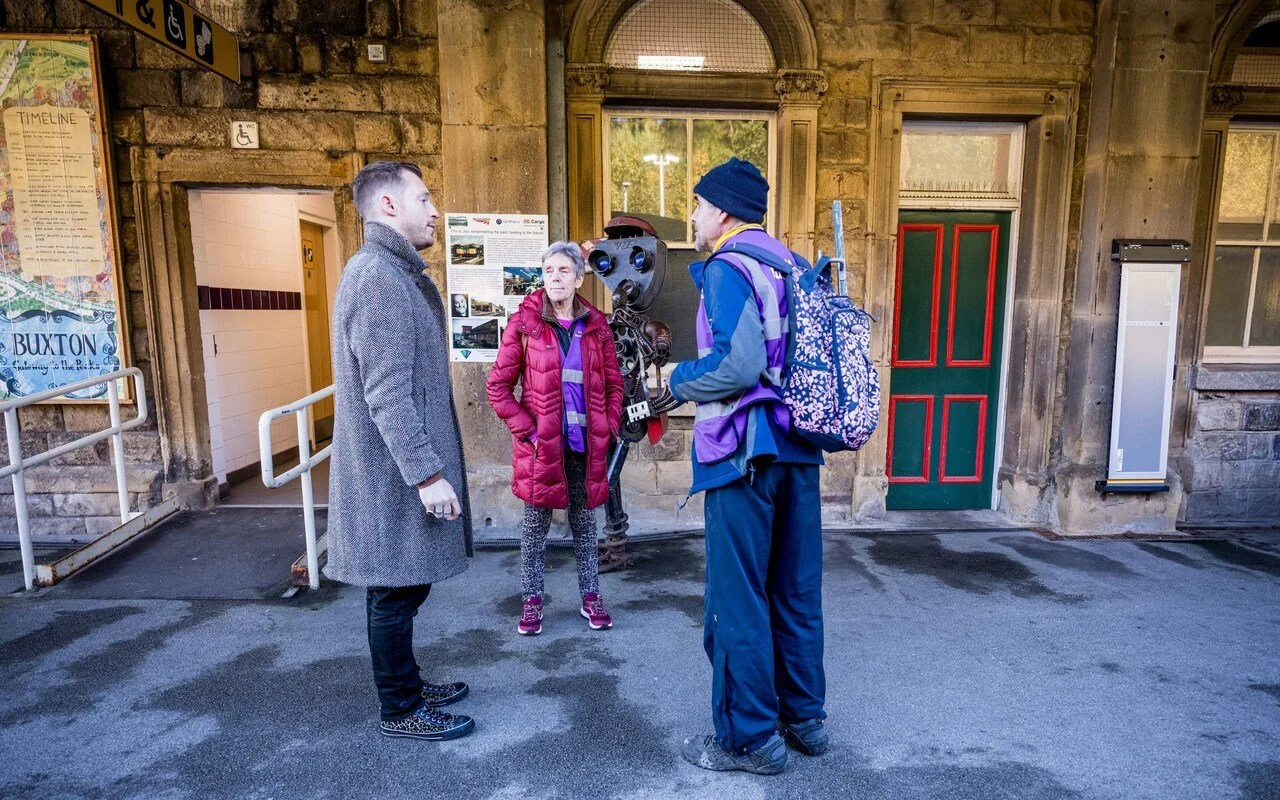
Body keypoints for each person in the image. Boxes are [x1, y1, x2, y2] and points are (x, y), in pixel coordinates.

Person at [650, 158, 828, 774]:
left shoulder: (729, 267)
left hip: (745, 455)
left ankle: (749, 740)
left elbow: (737, 365)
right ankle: (804, 719)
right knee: (795, 589)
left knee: (737, 598)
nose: (693, 216)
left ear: (723, 211)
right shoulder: (794, 264)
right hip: (800, 449)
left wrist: (676, 376)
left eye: (697, 205)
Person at [325, 161, 475, 742]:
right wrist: (427, 474)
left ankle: (406, 684)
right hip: (390, 474)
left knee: (400, 583)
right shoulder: (379, 279)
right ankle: (401, 708)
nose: (434, 209)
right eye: (423, 197)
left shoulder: (390, 272)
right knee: (393, 588)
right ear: (388, 207)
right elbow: (386, 395)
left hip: (392, 471)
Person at [486, 242, 624, 636]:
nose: (555, 278)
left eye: (564, 271)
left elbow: (615, 385)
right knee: (535, 528)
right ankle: (531, 602)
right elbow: (497, 388)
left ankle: (591, 597)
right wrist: (528, 431)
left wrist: (609, 424)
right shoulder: (524, 324)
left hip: (585, 446)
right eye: (548, 271)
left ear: (580, 278)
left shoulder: (597, 327)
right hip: (540, 447)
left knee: (584, 524)